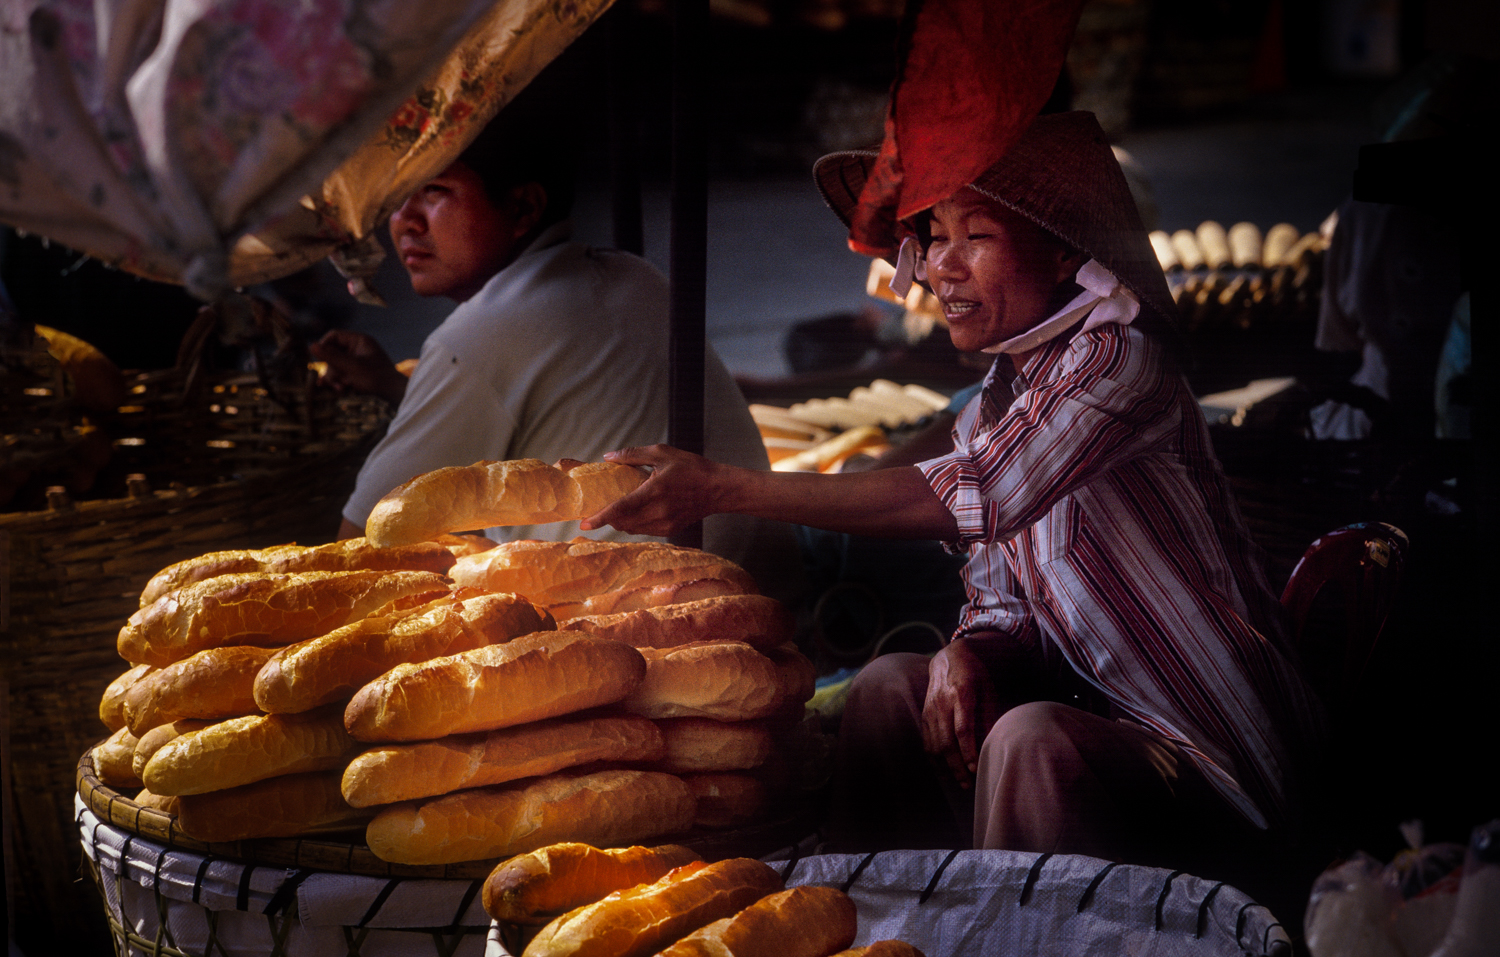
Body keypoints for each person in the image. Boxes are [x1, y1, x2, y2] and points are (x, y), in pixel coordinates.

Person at [585, 112, 1324, 869]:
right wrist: (968, 649)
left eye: (979, 235)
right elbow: (1002, 595)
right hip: (1110, 727)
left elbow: (981, 493)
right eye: (935, 235)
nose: (944, 266)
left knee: (1032, 741)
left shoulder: (1119, 361)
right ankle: (877, 927)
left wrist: (725, 488)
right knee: (889, 689)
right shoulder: (997, 399)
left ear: (1065, 249)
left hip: (1218, 763)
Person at [316, 92, 794, 589]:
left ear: (523, 207)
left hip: (658, 618)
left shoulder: (484, 333)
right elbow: (537, 408)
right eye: (399, 197)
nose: (404, 222)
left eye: (434, 192)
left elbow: (359, 543)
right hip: (759, 582)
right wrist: (394, 388)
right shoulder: (629, 274)